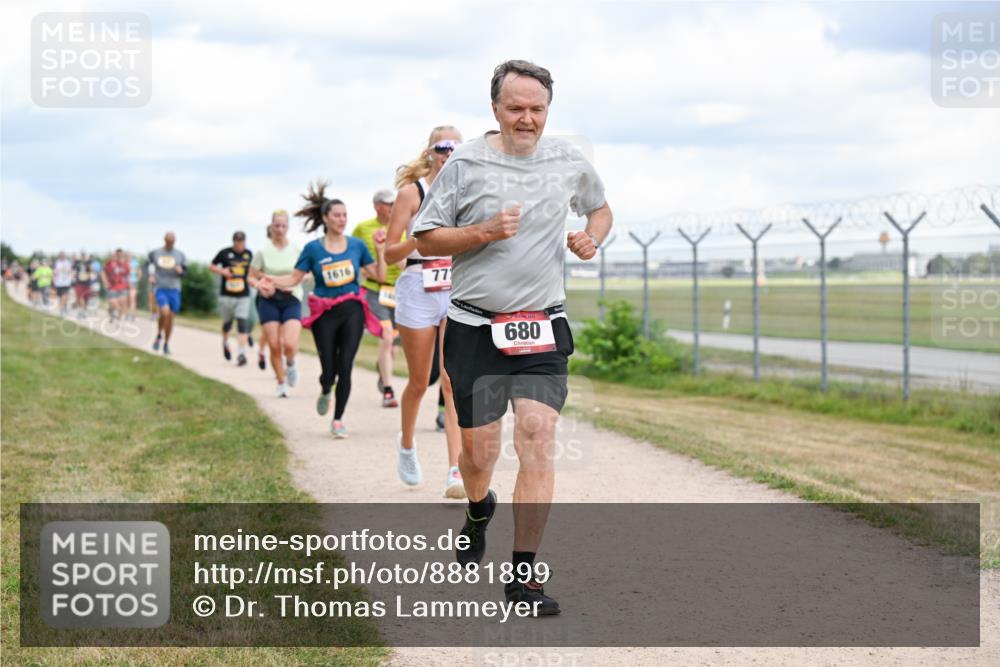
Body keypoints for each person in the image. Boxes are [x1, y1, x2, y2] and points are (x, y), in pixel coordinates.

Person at [412, 60, 613, 615]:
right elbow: (427, 239)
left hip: (542, 324)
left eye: (537, 109)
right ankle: (479, 509)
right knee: (480, 454)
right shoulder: (465, 164)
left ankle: (522, 577)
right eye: (516, 108)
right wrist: (481, 232)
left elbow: (600, 208)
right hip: (476, 325)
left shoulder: (568, 161)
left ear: (549, 109)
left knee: (536, 433)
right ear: (495, 109)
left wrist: (590, 237)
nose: (527, 119)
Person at [261, 183, 386, 438]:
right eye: (337, 215)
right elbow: (294, 279)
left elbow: (380, 276)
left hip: (352, 308)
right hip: (324, 315)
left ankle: (338, 419)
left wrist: (381, 250)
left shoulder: (357, 246)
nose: (342, 219)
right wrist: (270, 280)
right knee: (329, 370)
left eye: (345, 215)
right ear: (325, 218)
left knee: (346, 366)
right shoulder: (313, 249)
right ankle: (326, 388)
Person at [384, 125, 466, 497]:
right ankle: (406, 445)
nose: (449, 152)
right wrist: (421, 240)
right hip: (417, 285)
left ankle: (455, 470)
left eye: (455, 147)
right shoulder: (411, 193)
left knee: (451, 380)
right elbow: (389, 252)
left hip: (454, 285)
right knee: (421, 382)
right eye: (442, 146)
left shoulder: (466, 192)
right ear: (431, 151)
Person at [352, 188, 404, 408]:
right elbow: (354, 254)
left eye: (394, 204)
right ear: (377, 206)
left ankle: (384, 371)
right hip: (375, 290)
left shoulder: (402, 227)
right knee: (386, 336)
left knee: (392, 345)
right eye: (388, 204)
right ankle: (389, 391)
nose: (392, 208)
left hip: (400, 291)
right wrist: (363, 270)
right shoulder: (362, 228)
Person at [249, 211, 302, 396]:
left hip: (291, 298)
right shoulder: (262, 251)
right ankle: (281, 383)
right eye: (276, 226)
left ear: (288, 228)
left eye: (283, 226)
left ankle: (291, 363)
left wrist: (293, 282)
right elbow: (251, 276)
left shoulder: (296, 250)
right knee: (273, 344)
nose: (280, 229)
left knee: (289, 343)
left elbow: (308, 273)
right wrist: (259, 285)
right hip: (269, 300)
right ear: (271, 227)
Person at [210, 231, 254, 366]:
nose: (240, 245)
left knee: (242, 323)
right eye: (237, 242)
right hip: (227, 295)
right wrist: (222, 271)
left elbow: (252, 271)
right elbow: (211, 266)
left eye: (242, 242)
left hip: (243, 294)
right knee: (228, 324)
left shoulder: (249, 254)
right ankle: (225, 342)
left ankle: (241, 353)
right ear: (233, 242)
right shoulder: (224, 253)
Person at [148, 232, 187, 355]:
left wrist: (181, 272)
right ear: (164, 240)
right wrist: (151, 275)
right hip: (160, 287)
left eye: (172, 242)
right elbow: (148, 264)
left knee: (170, 318)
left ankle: (166, 343)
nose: (170, 243)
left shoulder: (180, 255)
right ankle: (159, 334)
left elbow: (185, 272)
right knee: (164, 312)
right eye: (168, 241)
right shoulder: (156, 253)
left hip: (174, 289)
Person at [102, 249, 130, 320]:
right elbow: (103, 272)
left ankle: (118, 319)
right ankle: (111, 311)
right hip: (112, 287)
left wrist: (128, 283)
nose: (119, 256)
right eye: (118, 255)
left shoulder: (126, 264)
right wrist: (105, 281)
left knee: (123, 303)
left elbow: (128, 274)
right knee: (114, 303)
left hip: (122, 286)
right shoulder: (110, 263)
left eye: (121, 255)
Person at [72, 253, 92, 318]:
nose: (82, 257)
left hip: (86, 284)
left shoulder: (88, 264)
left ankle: (83, 312)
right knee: (80, 298)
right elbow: (73, 271)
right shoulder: (77, 263)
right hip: (79, 283)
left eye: (83, 256)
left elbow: (90, 272)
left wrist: (87, 275)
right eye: (81, 256)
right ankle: (81, 312)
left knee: (85, 300)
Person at [127, 251, 141, 321]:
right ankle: (129, 315)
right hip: (126, 284)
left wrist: (137, 280)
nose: (129, 257)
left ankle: (132, 315)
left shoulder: (135, 263)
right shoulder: (125, 263)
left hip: (133, 283)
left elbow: (139, 272)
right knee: (128, 300)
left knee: (133, 300)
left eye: (130, 255)